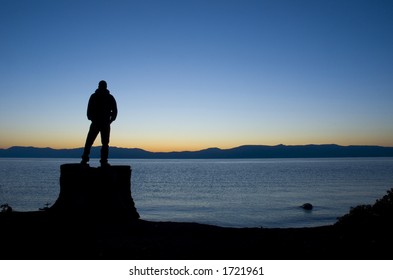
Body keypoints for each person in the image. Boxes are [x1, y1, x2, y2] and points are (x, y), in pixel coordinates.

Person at [81, 80, 117, 166]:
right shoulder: (95, 96)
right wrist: (92, 118)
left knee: (103, 143)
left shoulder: (109, 97)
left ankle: (103, 161)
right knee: (90, 141)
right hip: (98, 123)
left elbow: (115, 111)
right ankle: (86, 159)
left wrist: (111, 120)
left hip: (104, 123)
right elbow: (89, 110)